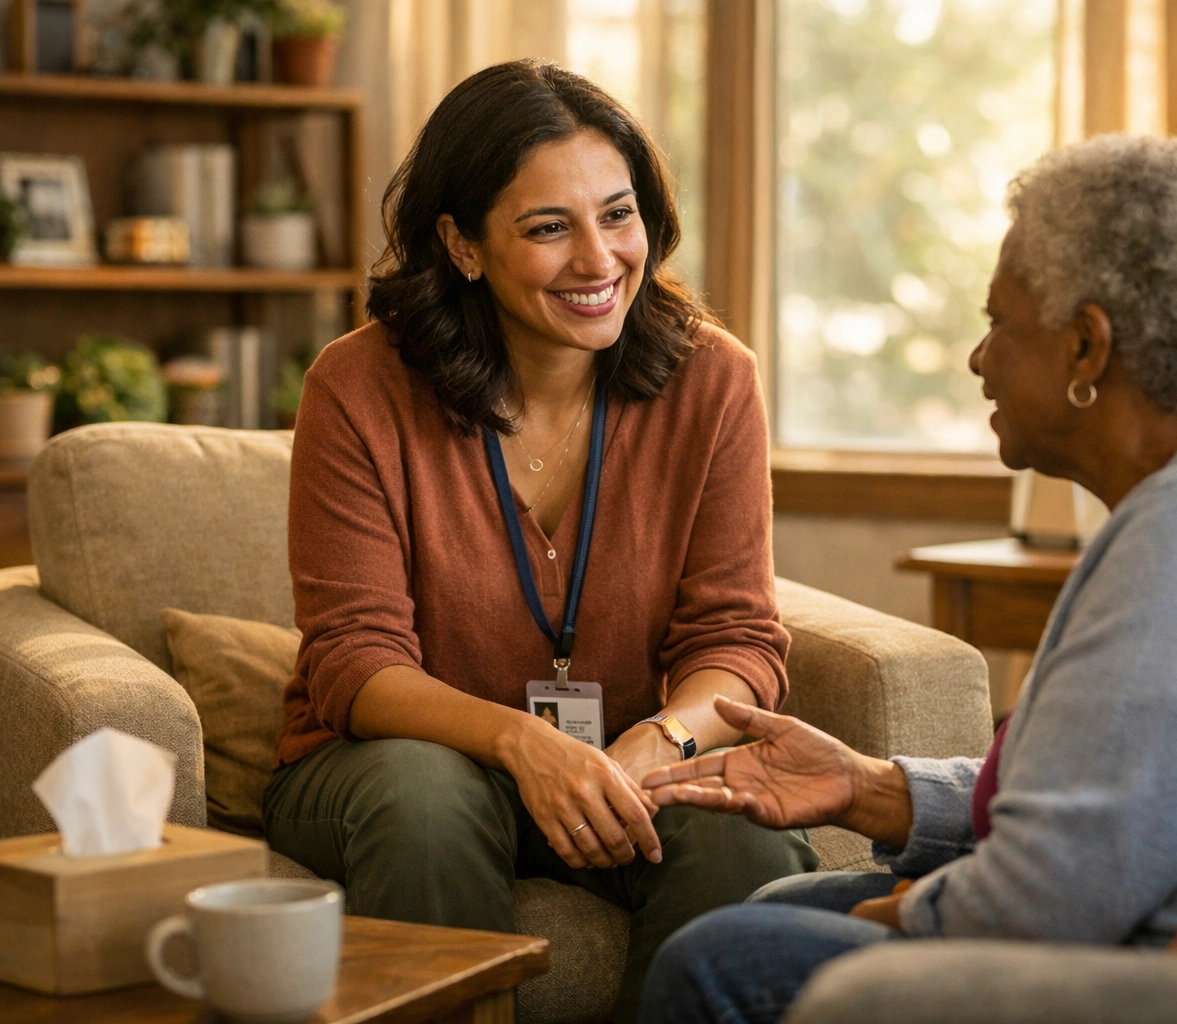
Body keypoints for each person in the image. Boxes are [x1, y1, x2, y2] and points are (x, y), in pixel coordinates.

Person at [635, 134, 1177, 1024]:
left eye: (1000, 320)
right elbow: (1114, 790)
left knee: (722, 960)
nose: (978, 358)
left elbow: (1058, 893)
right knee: (774, 918)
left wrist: (900, 912)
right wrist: (868, 786)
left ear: (1087, 349)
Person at [261, 59, 816, 1023]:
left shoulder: (714, 381)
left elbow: (738, 639)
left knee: (745, 840)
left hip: (627, 766)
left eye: (618, 214)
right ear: (463, 245)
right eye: (548, 228)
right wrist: (524, 745)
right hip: (400, 766)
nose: (600, 261)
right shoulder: (356, 387)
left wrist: (661, 740)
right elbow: (354, 664)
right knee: (426, 796)